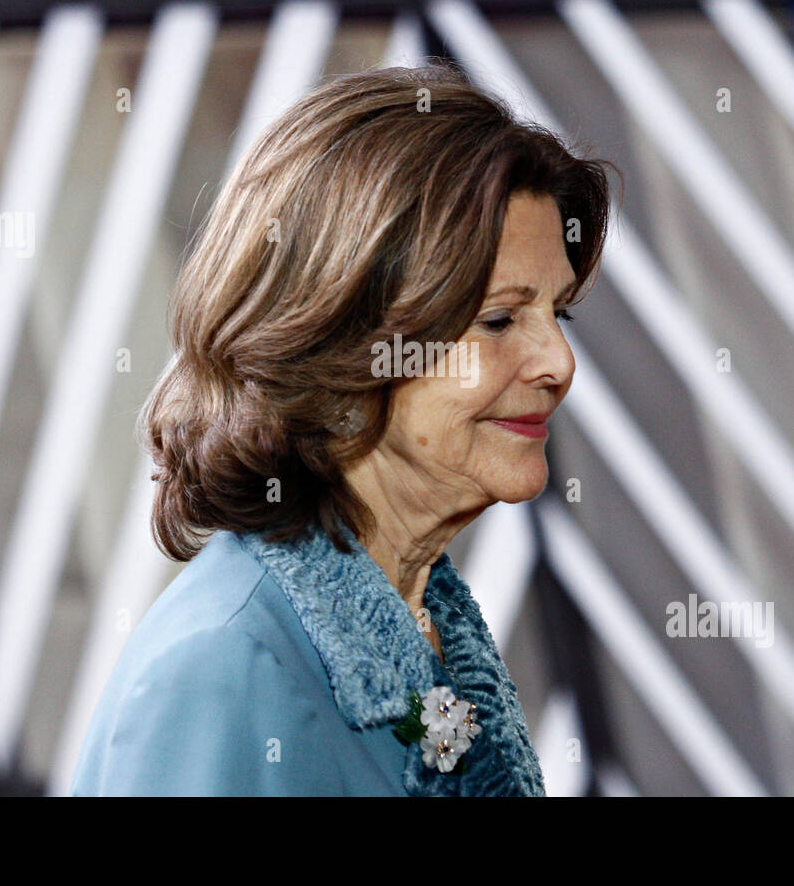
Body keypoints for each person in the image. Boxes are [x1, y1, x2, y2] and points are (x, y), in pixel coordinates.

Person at [69, 63, 610, 796]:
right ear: (342, 340)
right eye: (499, 319)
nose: (558, 362)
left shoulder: (428, 622)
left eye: (559, 314)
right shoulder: (221, 669)